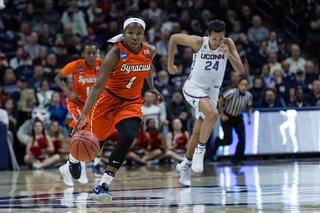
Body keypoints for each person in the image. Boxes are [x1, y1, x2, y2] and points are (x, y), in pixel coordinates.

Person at [71, 7, 164, 203]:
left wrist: (152, 87)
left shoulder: (150, 51)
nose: (135, 37)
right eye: (130, 33)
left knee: (128, 136)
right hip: (108, 102)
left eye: (139, 34)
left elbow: (148, 66)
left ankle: (103, 184)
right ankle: (73, 158)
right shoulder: (115, 53)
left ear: (143, 35)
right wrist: (83, 116)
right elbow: (96, 87)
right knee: (92, 147)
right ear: (124, 33)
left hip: (131, 104)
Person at [167, 19, 244, 187]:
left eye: (220, 38)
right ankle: (200, 152)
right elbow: (173, 38)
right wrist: (170, 63)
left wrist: (228, 54)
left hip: (212, 91)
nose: (218, 42)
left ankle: (185, 165)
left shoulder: (228, 44)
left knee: (197, 131)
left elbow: (240, 70)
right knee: (214, 114)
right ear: (208, 35)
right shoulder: (198, 42)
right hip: (194, 87)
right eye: (214, 39)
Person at [55, 41, 102, 187]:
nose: (91, 56)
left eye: (94, 53)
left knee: (90, 136)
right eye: (88, 53)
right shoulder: (75, 65)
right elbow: (58, 78)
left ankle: (67, 169)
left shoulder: (102, 64)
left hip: (92, 106)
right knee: (81, 132)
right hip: (76, 104)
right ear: (83, 54)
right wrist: (69, 93)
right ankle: (80, 168)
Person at [212, 78, 253, 165]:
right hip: (227, 117)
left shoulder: (249, 95)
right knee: (228, 140)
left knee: (242, 138)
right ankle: (217, 142)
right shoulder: (231, 92)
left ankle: (237, 158)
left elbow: (249, 107)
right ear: (238, 85)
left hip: (238, 117)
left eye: (246, 85)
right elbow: (220, 101)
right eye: (242, 85)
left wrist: (249, 118)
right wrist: (222, 114)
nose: (244, 87)